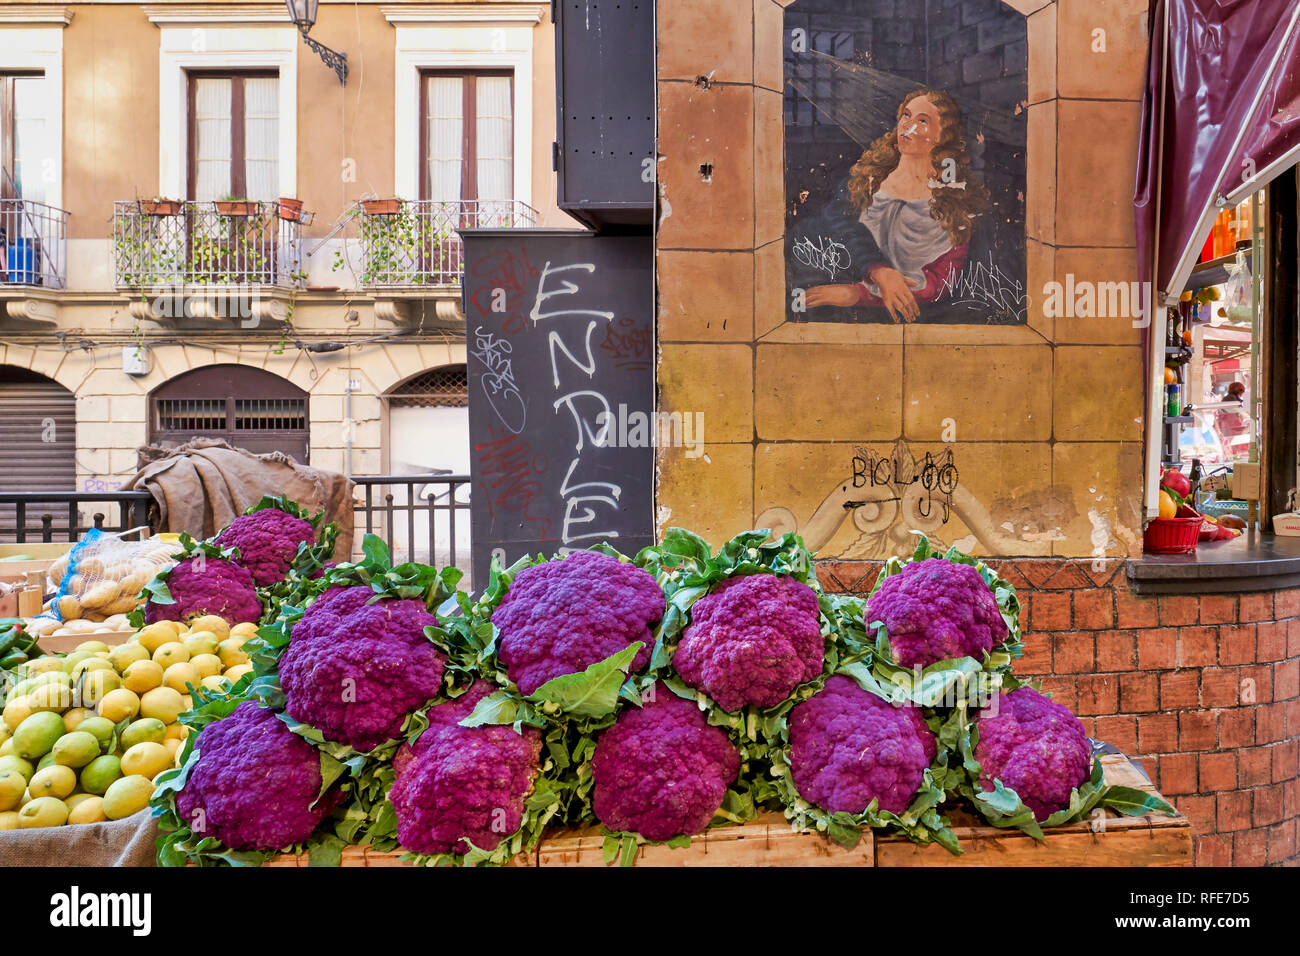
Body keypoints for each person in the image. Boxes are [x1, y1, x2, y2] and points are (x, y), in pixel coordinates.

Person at [805, 89, 990, 323]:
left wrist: (858, 294)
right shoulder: (867, 177)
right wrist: (878, 270)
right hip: (837, 306)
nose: (908, 126)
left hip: (913, 316)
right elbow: (835, 227)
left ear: (943, 134)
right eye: (906, 116)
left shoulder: (954, 199)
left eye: (922, 121)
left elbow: (941, 282)